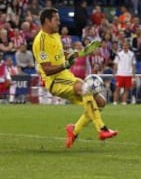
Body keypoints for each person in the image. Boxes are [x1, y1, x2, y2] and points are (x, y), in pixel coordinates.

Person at [32, 8, 117, 149]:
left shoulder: (55, 35)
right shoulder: (40, 41)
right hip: (54, 81)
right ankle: (102, 129)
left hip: (66, 76)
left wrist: (82, 52)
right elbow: (47, 70)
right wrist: (66, 64)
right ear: (47, 21)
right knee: (86, 88)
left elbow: (61, 54)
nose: (59, 23)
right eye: (56, 20)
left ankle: (74, 130)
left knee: (101, 102)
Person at [113, 41, 136, 105]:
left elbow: (133, 65)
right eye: (124, 45)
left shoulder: (132, 54)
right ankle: (115, 102)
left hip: (128, 74)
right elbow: (115, 64)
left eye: (126, 45)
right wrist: (114, 72)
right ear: (122, 46)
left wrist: (133, 76)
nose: (125, 47)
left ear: (128, 46)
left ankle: (124, 102)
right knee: (117, 89)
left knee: (126, 89)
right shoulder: (119, 54)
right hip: (120, 74)